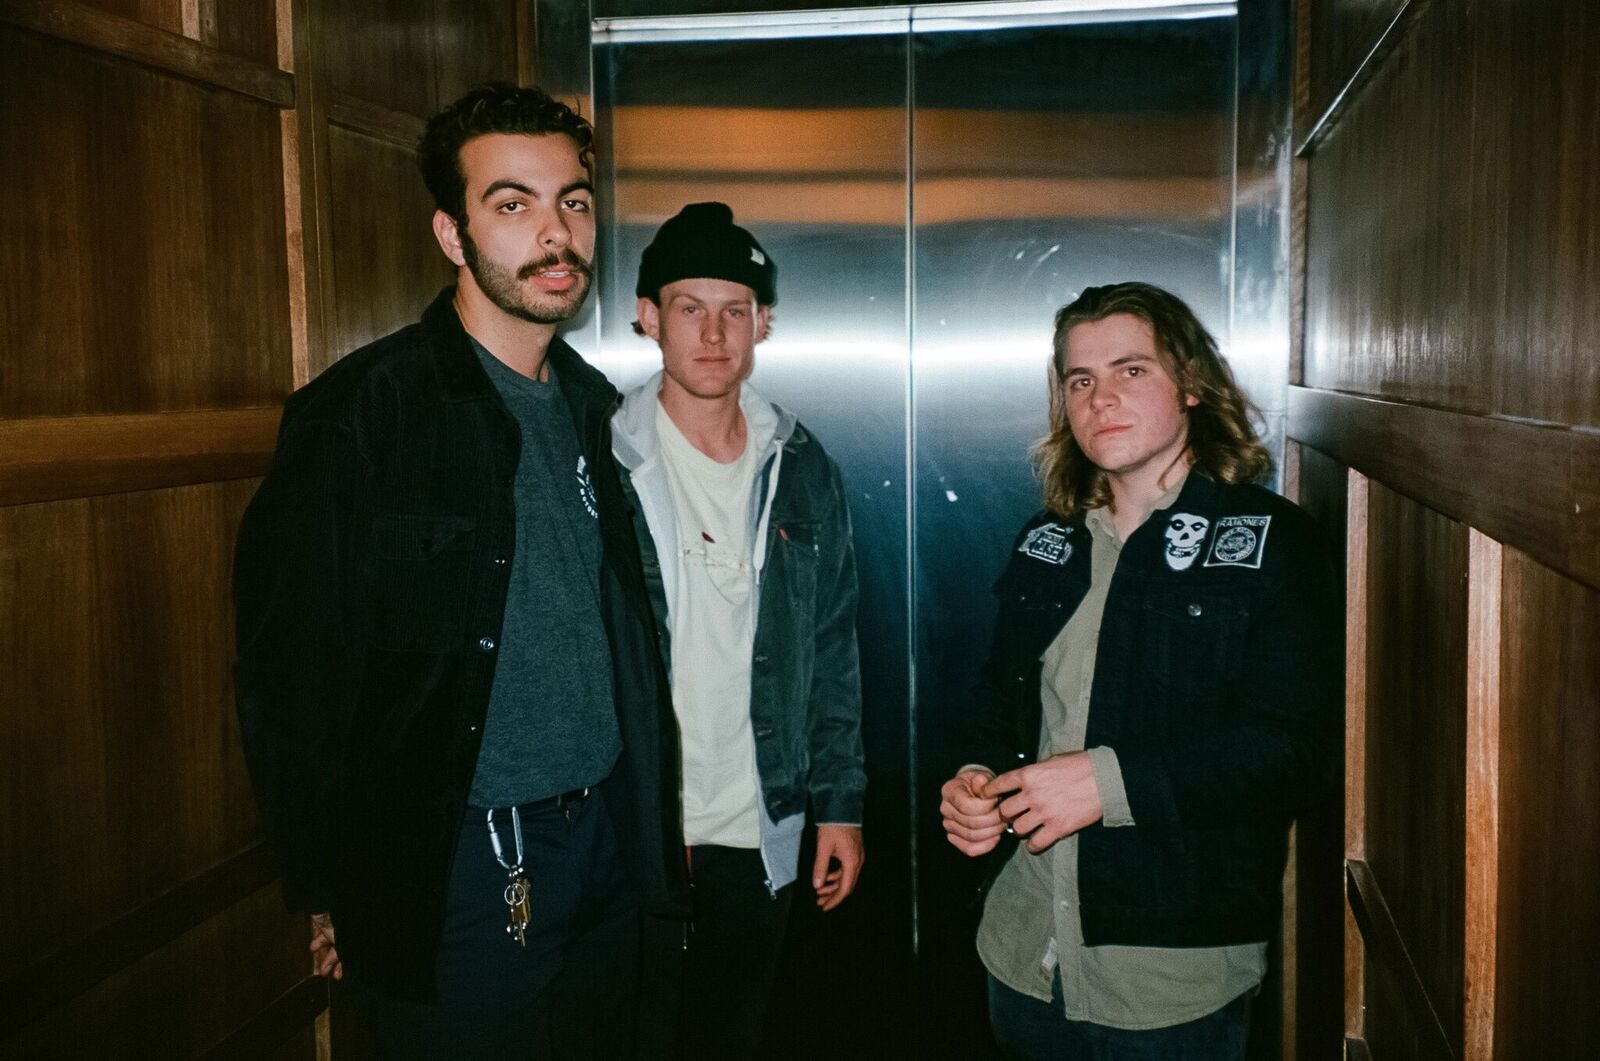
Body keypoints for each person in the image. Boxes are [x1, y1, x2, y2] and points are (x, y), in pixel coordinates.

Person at [232, 82, 687, 1059]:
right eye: (511, 204)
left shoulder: (591, 406)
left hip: (603, 841)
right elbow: (287, 671)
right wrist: (331, 883)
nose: (555, 232)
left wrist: (647, 822)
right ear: (452, 233)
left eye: (572, 201)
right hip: (461, 867)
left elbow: (618, 637)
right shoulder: (364, 412)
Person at [938, 282, 1340, 1058]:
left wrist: (1107, 783)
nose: (1101, 399)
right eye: (1080, 380)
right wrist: (974, 776)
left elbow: (1297, 754)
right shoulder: (1048, 541)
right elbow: (999, 696)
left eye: (1131, 370)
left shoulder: (1271, 543)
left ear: (1189, 383)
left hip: (1169, 978)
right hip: (1020, 953)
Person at [611, 202, 867, 1057]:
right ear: (649, 317)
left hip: (761, 823)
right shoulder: (602, 456)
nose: (714, 333)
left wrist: (840, 807)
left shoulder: (802, 463)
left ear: (764, 322)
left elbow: (832, 645)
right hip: (639, 824)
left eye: (735, 309)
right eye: (690, 307)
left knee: (733, 1037)